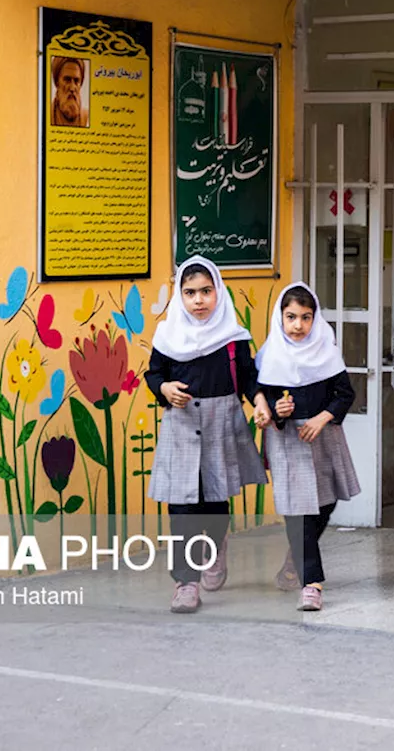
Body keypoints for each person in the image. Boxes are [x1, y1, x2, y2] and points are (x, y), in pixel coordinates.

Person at [146, 256, 266, 614]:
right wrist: (165, 388)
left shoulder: (233, 337)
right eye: (189, 293)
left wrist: (259, 401)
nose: (198, 300)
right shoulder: (168, 334)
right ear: (179, 296)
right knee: (181, 508)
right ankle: (186, 583)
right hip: (181, 425)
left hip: (221, 423)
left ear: (218, 293)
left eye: (205, 291)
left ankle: (216, 546)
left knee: (215, 502)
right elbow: (154, 374)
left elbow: (247, 376)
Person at [252, 282, 360, 612]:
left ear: (315, 319)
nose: (298, 325)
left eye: (306, 317)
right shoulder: (270, 356)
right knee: (297, 513)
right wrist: (276, 411)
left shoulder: (326, 351)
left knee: (325, 505)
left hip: (323, 437)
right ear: (279, 318)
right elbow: (261, 395)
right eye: (291, 317)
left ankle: (296, 555)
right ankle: (311, 583)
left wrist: (321, 418)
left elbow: (345, 394)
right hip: (286, 442)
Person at [51, 56, 89, 127]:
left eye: (76, 81)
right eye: (67, 80)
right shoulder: (46, 114)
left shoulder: (87, 118)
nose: (72, 88)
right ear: (57, 83)